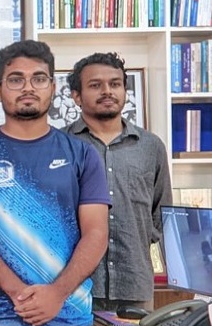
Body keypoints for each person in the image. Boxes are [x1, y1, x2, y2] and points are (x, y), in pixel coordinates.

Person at [0, 40, 111, 326]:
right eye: (16, 79)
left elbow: (96, 233)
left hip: (69, 322)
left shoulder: (82, 154)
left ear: (52, 87)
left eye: (38, 78)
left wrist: (57, 294)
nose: (28, 87)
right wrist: (16, 292)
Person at [65, 52, 172, 312]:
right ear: (76, 96)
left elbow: (162, 215)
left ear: (125, 91)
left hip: (134, 287)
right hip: (74, 288)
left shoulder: (150, 147)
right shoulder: (59, 146)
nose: (107, 91)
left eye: (115, 84)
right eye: (95, 85)